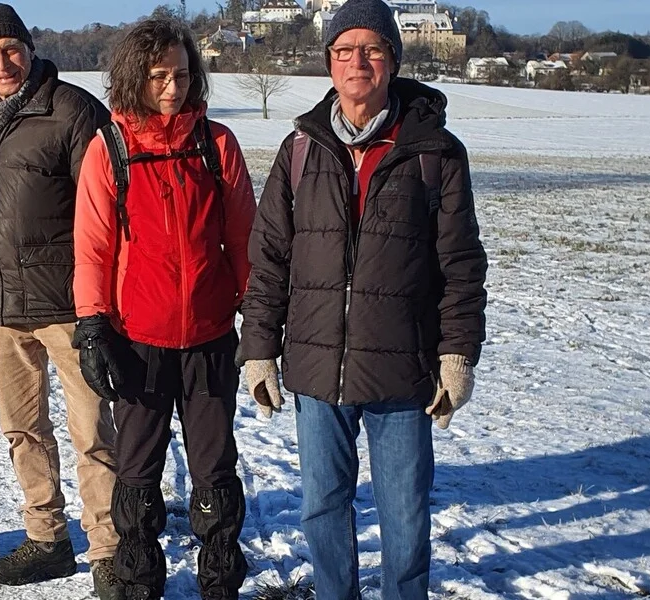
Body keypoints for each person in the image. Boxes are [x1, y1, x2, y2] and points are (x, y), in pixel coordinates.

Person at [237, 0, 489, 598]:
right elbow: (268, 260)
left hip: (403, 369)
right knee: (323, 508)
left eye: (373, 50)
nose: (358, 62)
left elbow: (459, 266)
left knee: (405, 514)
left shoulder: (435, 153)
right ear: (329, 63)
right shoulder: (299, 149)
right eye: (345, 50)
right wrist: (258, 351)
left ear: (393, 61)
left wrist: (458, 357)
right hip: (317, 368)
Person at [71, 19, 256, 600]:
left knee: (214, 467)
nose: (171, 88)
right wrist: (92, 323)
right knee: (137, 469)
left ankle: (221, 579)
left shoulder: (216, 143)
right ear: (136, 78)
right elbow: (93, 245)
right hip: (138, 339)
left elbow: (245, 236)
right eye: (158, 77)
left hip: (209, 336)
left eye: (180, 75)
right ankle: (139, 578)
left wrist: (260, 317)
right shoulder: (111, 149)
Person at [0, 1, 122, 591]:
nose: (2, 63)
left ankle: (107, 547)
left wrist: (99, 304)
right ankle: (45, 538)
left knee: (92, 431)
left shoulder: (73, 111)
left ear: (29, 50)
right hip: (2, 310)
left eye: (10, 49)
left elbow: (107, 210)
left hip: (66, 307)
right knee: (22, 430)